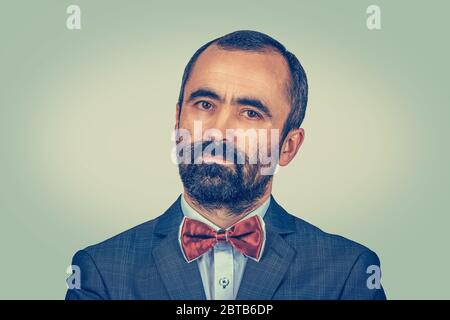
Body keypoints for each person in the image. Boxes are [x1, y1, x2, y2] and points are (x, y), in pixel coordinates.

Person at [65, 30, 386, 300]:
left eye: (250, 113)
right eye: (205, 104)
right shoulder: (100, 272)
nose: (217, 131)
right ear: (177, 119)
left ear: (288, 147)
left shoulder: (348, 273)